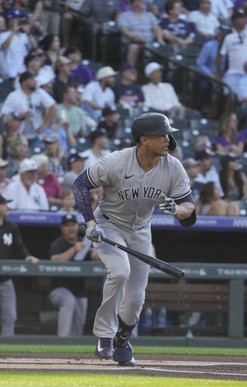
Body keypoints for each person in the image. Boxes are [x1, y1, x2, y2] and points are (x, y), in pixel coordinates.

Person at [72, 112, 196, 366]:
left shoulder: (172, 166)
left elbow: (189, 211)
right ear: (143, 139)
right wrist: (91, 222)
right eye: (161, 134)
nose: (167, 139)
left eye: (167, 134)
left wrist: (177, 210)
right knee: (120, 272)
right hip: (108, 224)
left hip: (140, 229)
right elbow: (79, 185)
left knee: (137, 296)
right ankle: (104, 336)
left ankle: (122, 339)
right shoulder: (116, 162)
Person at [0, 194, 39, 336]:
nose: (7, 207)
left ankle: (5, 348)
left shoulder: (10, 225)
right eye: (4, 204)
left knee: (10, 316)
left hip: (5, 279)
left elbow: (19, 246)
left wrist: (28, 256)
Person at [49, 213, 93, 337]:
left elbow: (95, 258)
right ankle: (62, 341)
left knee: (78, 330)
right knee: (69, 300)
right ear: (62, 228)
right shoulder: (57, 244)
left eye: (73, 225)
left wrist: (96, 253)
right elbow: (55, 260)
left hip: (80, 289)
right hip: (59, 289)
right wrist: (73, 249)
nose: (70, 228)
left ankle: (73, 350)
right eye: (67, 225)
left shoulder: (84, 243)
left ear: (77, 226)